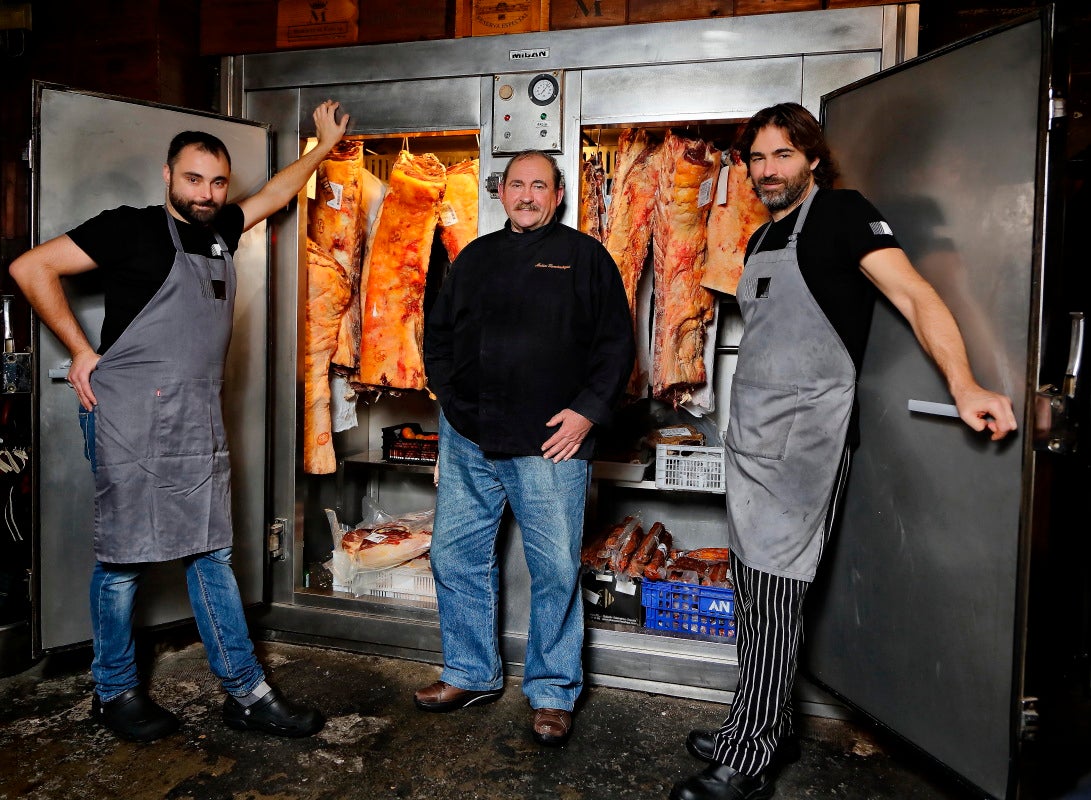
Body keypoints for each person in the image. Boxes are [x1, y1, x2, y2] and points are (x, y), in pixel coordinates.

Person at [670, 103, 1018, 800]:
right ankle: (757, 718)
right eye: (757, 159)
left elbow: (917, 297)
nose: (767, 170)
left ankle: (749, 755)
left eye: (781, 156)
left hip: (803, 445)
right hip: (753, 441)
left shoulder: (841, 214)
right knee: (752, 591)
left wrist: (965, 383)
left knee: (772, 598)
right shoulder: (762, 238)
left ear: (811, 159)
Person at [9, 100, 350, 743]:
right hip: (130, 418)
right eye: (194, 180)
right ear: (167, 175)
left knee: (212, 553)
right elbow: (31, 268)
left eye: (218, 182)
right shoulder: (129, 228)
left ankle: (244, 693)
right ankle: (113, 692)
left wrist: (324, 146)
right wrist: (81, 351)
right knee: (123, 561)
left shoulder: (219, 230)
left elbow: (276, 192)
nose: (207, 193)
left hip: (196, 420)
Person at [418, 150, 635, 746]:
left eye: (539, 185)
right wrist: (451, 407)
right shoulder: (474, 258)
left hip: (550, 445)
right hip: (469, 437)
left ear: (559, 194)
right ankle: (471, 671)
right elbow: (436, 337)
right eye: (517, 184)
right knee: (454, 555)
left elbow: (616, 346)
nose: (527, 195)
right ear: (502, 191)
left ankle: (552, 690)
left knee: (555, 569)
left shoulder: (586, 258)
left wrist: (587, 414)